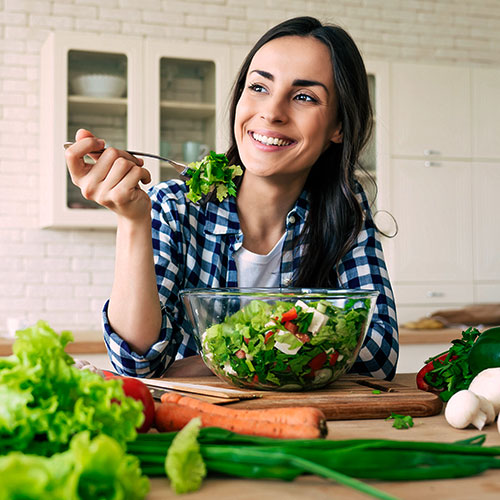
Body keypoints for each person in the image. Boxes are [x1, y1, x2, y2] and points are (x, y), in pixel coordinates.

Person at [65, 16, 399, 380]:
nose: (271, 112)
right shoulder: (174, 206)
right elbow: (138, 363)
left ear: (338, 126)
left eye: (304, 96)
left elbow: (378, 354)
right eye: (259, 87)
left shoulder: (346, 211)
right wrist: (132, 220)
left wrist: (214, 360)